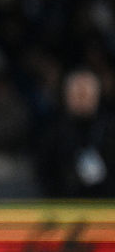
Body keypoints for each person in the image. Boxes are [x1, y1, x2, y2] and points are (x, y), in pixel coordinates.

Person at [35, 68, 115, 197]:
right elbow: (44, 171)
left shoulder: (109, 129)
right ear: (67, 96)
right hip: (64, 201)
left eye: (86, 94)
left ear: (97, 96)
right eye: (77, 94)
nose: (82, 99)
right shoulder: (53, 130)